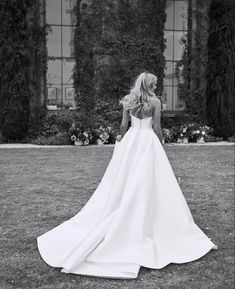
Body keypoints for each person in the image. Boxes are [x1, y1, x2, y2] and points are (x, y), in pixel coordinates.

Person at [37, 71, 217, 279]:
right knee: (149, 179)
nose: (156, 86)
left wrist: (122, 141)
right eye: (155, 83)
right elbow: (157, 126)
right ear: (149, 84)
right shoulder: (155, 102)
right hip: (147, 140)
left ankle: (126, 204)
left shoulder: (128, 101)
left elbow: (123, 125)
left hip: (132, 141)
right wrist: (160, 144)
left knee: (126, 176)